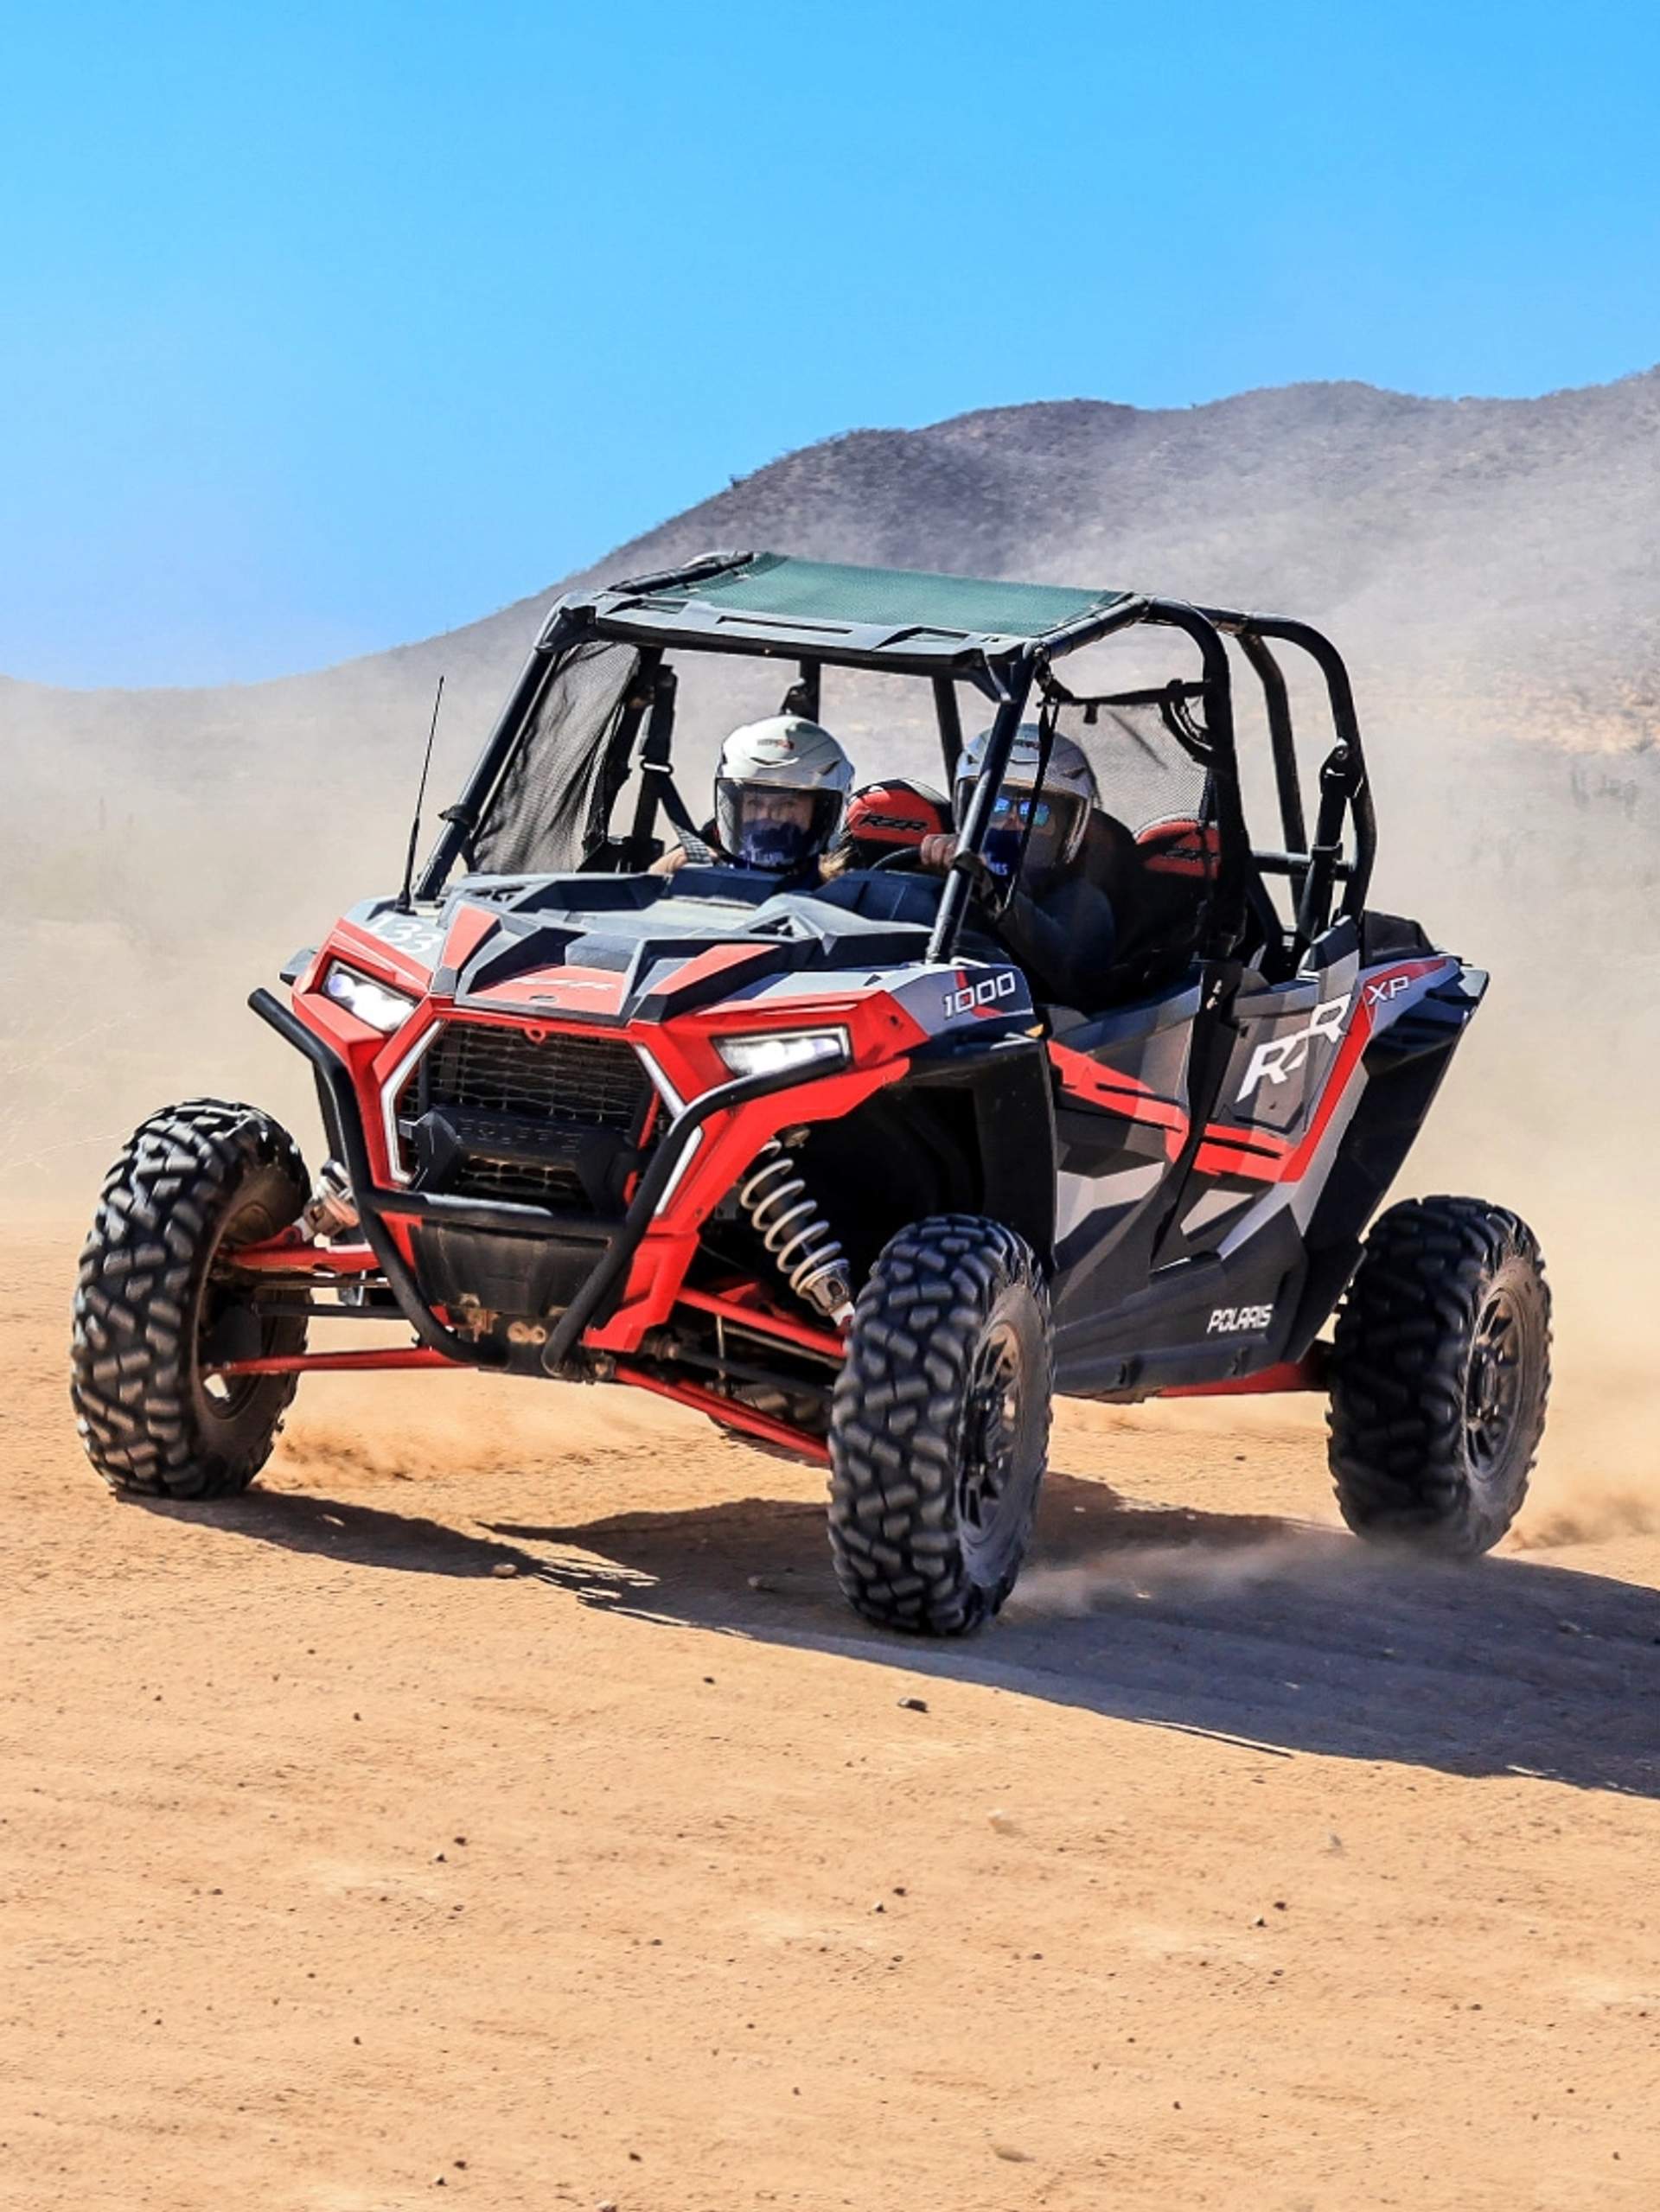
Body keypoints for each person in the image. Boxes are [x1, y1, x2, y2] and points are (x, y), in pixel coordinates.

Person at [919, 723, 1122, 1009]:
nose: (1011, 822)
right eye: (996, 806)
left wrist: (993, 887)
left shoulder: (1083, 901)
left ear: (1067, 828)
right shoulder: (950, 869)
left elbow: (1075, 972)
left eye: (1034, 812)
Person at [650, 714, 852, 883]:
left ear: (821, 814)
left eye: (787, 805)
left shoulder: (841, 893)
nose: (767, 816)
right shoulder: (688, 870)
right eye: (755, 803)